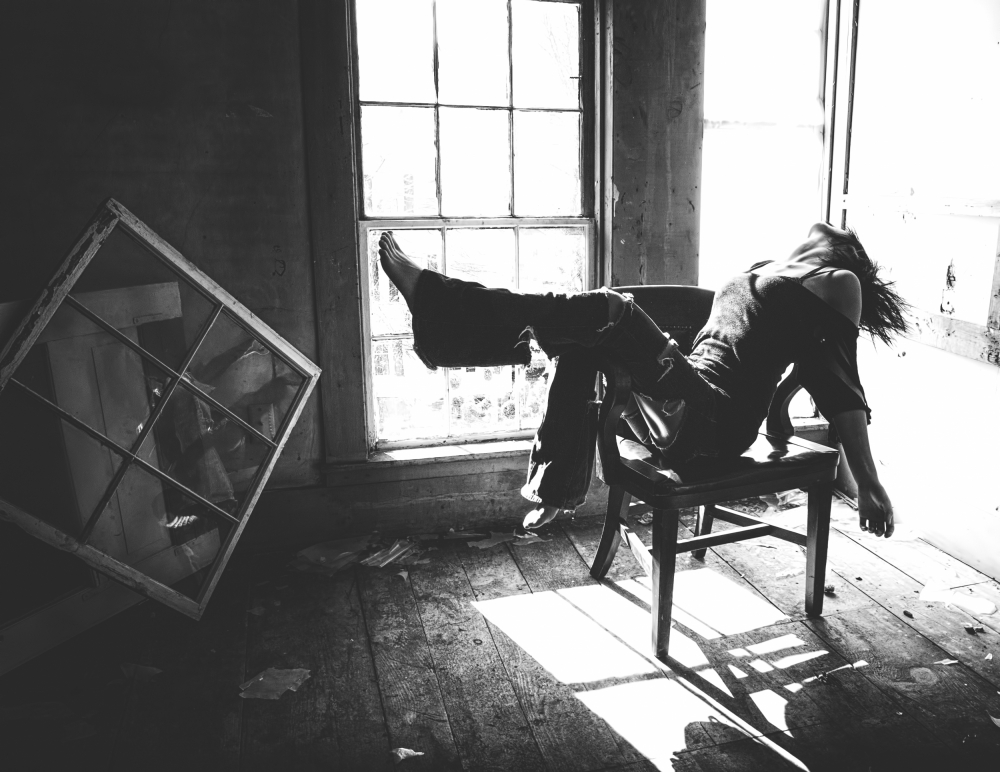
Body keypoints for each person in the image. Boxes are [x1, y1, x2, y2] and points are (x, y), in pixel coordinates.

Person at [378, 223, 907, 539]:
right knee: (588, 330)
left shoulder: (840, 283)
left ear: (849, 255)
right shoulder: (768, 266)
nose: (834, 226)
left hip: (715, 421)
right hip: (681, 400)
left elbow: (841, 388)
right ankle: (558, 486)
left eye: (845, 235)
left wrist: (868, 483)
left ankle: (439, 309)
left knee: (608, 310)